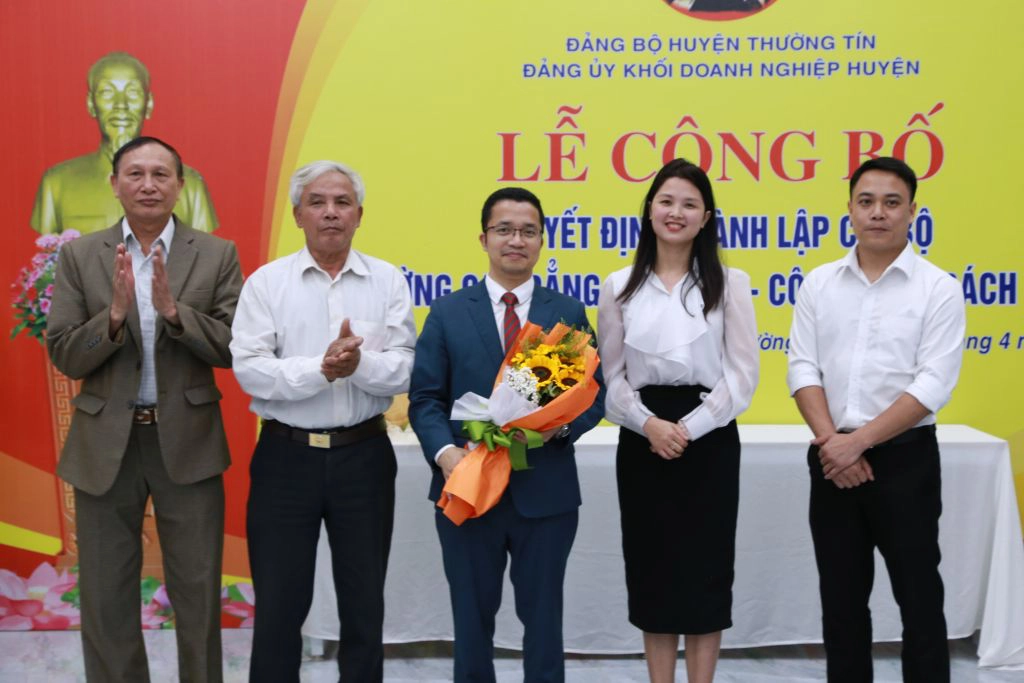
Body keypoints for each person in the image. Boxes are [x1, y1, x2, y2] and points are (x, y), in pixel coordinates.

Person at [46, 136, 242, 682]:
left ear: (180, 185)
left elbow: (234, 347)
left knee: (198, 590)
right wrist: (112, 318)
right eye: (135, 174)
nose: (148, 184)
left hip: (189, 441)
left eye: (161, 174)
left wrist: (176, 315)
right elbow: (64, 353)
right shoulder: (81, 255)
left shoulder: (216, 253)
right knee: (105, 592)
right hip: (105, 443)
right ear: (115, 185)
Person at [408, 187, 605, 683]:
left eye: (528, 231)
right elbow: (425, 399)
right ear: (484, 238)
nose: (516, 240)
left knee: (544, 621)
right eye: (504, 230)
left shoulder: (565, 312)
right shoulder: (449, 312)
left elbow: (594, 394)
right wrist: (446, 455)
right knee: (471, 620)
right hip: (467, 487)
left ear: (541, 241)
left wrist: (559, 428)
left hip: (545, 490)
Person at [230, 160, 415, 683]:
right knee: (279, 603)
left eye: (342, 202)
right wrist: (322, 369)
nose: (330, 212)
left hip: (364, 457)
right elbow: (250, 370)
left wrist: (361, 365)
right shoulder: (267, 284)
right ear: (297, 215)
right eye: (317, 202)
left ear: (359, 215)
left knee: (364, 600)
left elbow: (404, 365)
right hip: (286, 459)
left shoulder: (387, 280)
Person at [787, 157, 966, 683]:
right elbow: (802, 367)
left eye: (892, 203)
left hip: (905, 461)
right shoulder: (819, 283)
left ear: (913, 212)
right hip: (832, 458)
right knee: (841, 601)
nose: (878, 213)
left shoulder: (938, 288)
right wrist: (834, 443)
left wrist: (858, 442)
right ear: (849, 210)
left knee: (919, 596)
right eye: (866, 202)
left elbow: (932, 384)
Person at [597, 159, 758, 683]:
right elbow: (611, 377)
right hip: (643, 439)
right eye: (666, 201)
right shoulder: (619, 285)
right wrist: (649, 424)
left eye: (690, 204)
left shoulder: (730, 284)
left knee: (706, 574)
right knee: (653, 573)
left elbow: (742, 377)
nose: (676, 212)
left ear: (706, 217)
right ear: (649, 210)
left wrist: (689, 428)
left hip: (709, 441)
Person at [32, 51, 218, 235]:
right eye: (107, 92)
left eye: (133, 92)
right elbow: (49, 251)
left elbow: (203, 251)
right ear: (91, 104)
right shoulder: (57, 183)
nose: (121, 105)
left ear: (148, 104)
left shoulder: (191, 185)